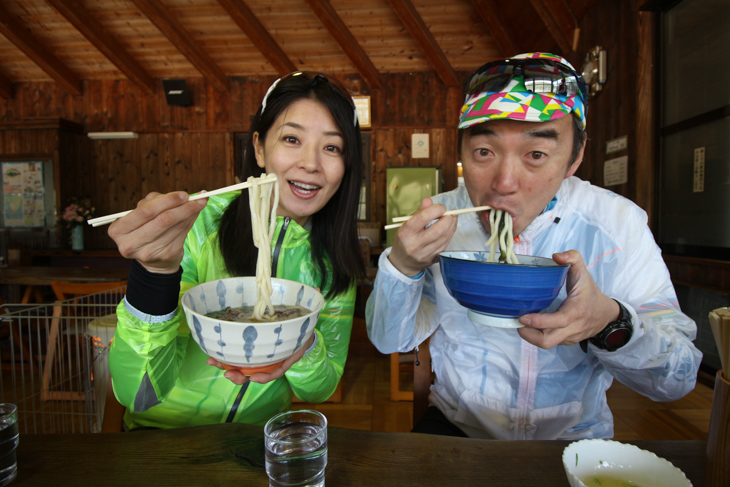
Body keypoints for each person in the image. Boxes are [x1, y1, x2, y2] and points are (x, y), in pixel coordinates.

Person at [366, 53, 702, 440]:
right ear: (460, 152)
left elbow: (678, 379)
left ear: (574, 157)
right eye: (484, 152)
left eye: (536, 155)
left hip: (574, 437)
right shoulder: (442, 222)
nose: (504, 182)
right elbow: (390, 340)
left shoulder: (615, 225)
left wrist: (608, 321)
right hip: (457, 424)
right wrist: (403, 266)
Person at [108, 71, 365, 430]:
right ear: (259, 148)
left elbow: (319, 390)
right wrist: (153, 276)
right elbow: (140, 392)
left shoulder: (333, 260)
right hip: (162, 441)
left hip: (258, 440)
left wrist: (303, 345)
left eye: (332, 147)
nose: (311, 163)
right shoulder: (197, 227)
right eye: (292, 138)